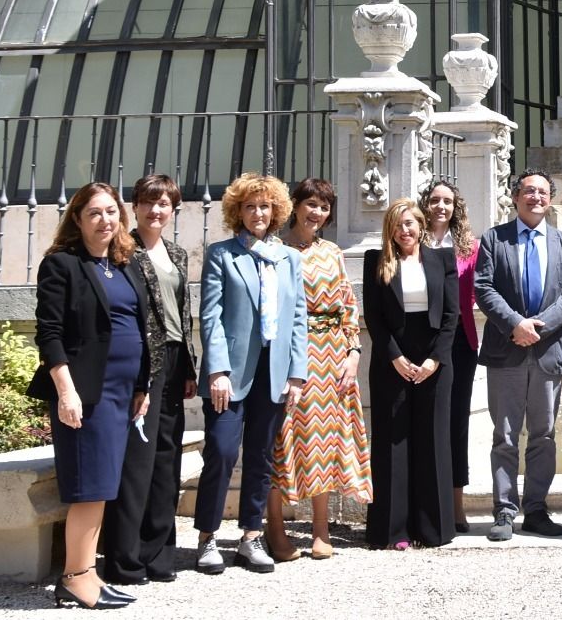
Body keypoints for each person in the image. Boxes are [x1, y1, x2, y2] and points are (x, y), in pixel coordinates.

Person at [29, 182, 160, 609]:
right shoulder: (61, 265)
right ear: (78, 220)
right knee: (89, 486)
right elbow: (49, 334)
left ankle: (88, 570)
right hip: (86, 392)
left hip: (124, 392)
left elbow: (139, 327)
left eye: (111, 212)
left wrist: (141, 386)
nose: (106, 220)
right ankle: (75, 576)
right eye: (95, 214)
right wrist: (66, 392)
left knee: (104, 485)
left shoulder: (124, 264)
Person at [193, 173, 309, 576]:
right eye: (249, 206)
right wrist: (218, 370)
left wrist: (296, 374)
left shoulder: (289, 258)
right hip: (231, 374)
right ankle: (207, 537)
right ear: (237, 212)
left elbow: (298, 320)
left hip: (274, 373)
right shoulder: (222, 255)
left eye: (264, 206)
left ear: (276, 210)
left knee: (261, 456)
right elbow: (210, 316)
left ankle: (249, 537)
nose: (258, 213)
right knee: (222, 452)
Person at [266, 178, 372, 560]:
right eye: (311, 204)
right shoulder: (274, 250)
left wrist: (353, 350)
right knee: (286, 437)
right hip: (291, 351)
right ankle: (275, 528)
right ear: (295, 206)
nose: (317, 213)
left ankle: (321, 529)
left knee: (325, 438)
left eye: (324, 207)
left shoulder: (332, 251)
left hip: (332, 355)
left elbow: (347, 304)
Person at [473, 169, 562, 540]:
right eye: (528, 191)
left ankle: (536, 509)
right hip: (507, 350)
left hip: (548, 352)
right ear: (515, 196)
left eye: (542, 192)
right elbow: (484, 288)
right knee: (504, 435)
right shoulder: (493, 239)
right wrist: (516, 324)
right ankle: (504, 511)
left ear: (550, 199)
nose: (536, 197)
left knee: (543, 435)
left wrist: (538, 326)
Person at [101, 174, 192, 586]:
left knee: (166, 461)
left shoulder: (176, 253)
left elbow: (181, 312)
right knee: (137, 461)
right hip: (142, 363)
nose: (157, 211)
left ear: (173, 210)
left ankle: (159, 554)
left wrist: (189, 367)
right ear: (134, 207)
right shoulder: (122, 250)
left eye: (165, 204)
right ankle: (125, 557)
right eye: (149, 202)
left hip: (175, 361)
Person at [362, 198, 459, 549]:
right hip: (393, 358)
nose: (405, 230)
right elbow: (373, 317)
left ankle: (432, 529)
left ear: (421, 226)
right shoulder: (377, 261)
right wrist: (395, 358)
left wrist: (435, 360)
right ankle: (394, 531)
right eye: (398, 224)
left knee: (433, 440)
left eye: (411, 224)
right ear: (391, 228)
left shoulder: (442, 260)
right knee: (393, 441)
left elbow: (451, 317)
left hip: (434, 357)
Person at [420, 178, 480, 534]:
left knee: (457, 422)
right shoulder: (413, 241)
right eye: (435, 200)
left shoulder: (470, 247)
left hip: (459, 340)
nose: (441, 207)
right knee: (427, 420)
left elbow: (479, 289)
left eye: (448, 201)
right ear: (425, 203)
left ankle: (456, 503)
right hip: (422, 342)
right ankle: (426, 501)